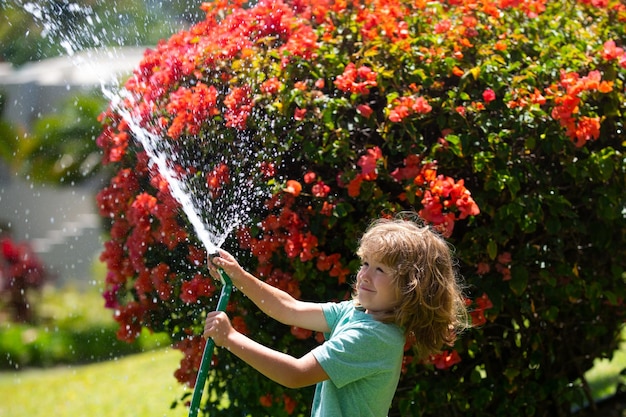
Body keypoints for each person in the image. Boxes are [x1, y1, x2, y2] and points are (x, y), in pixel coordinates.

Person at [204, 213, 468, 417]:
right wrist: (239, 276)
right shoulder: (356, 313)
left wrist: (229, 338)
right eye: (365, 263)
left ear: (411, 288)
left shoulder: (374, 338)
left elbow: (295, 374)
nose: (365, 274)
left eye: (380, 270)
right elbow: (290, 309)